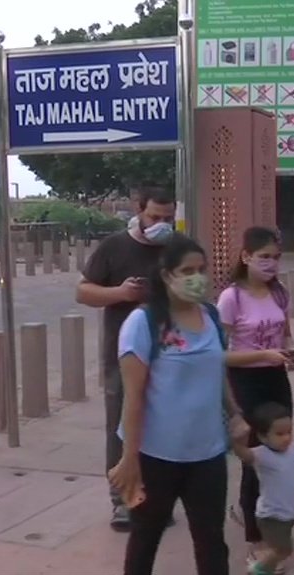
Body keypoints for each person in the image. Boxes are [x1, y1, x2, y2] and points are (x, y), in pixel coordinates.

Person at [107, 234, 246, 575]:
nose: (197, 278)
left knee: (212, 540)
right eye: (187, 271)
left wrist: (235, 414)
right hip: (157, 456)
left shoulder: (211, 317)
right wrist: (129, 459)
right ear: (167, 275)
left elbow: (216, 372)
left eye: (202, 269)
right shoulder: (143, 323)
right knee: (146, 537)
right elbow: (134, 396)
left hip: (208, 453)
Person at [76, 188, 178, 531]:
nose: (161, 224)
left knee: (163, 425)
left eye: (168, 218)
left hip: (169, 352)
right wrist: (120, 293)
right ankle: (122, 499)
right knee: (120, 426)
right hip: (122, 355)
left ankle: (158, 498)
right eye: (155, 217)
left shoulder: (176, 248)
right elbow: (84, 291)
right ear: (139, 211)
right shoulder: (114, 246)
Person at [217, 226, 294, 571]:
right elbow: (219, 355)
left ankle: (275, 521)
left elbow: (285, 337)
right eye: (264, 257)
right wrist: (262, 356)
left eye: (276, 257)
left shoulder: (280, 294)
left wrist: (291, 354)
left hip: (276, 380)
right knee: (256, 458)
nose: (270, 264)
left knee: (280, 449)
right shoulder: (231, 298)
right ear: (246, 257)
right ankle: (255, 535)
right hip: (245, 382)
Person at [230, 402, 294, 575]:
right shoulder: (261, 454)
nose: (286, 438)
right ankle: (258, 568)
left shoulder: (292, 450)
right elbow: (244, 453)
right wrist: (237, 441)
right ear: (262, 436)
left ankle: (264, 570)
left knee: (280, 549)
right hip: (271, 515)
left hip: (288, 512)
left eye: (288, 432)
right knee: (284, 549)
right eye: (279, 434)